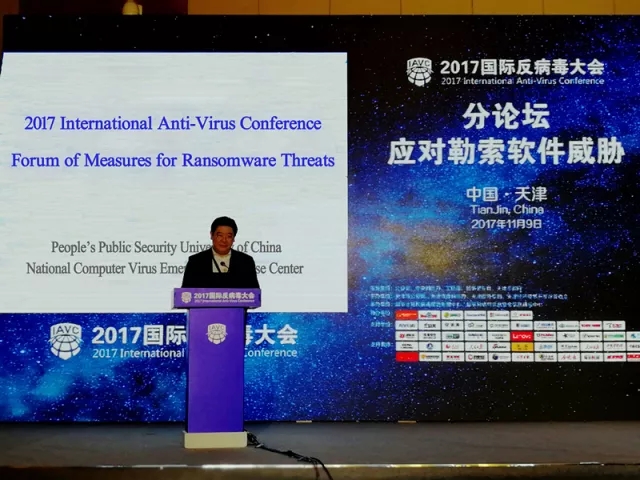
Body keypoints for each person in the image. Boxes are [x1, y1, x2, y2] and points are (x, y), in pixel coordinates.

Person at [181, 216, 260, 289]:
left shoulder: (246, 262)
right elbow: (185, 294)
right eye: (220, 235)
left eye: (229, 236)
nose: (224, 240)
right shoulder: (195, 262)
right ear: (211, 235)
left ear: (233, 238)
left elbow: (254, 294)